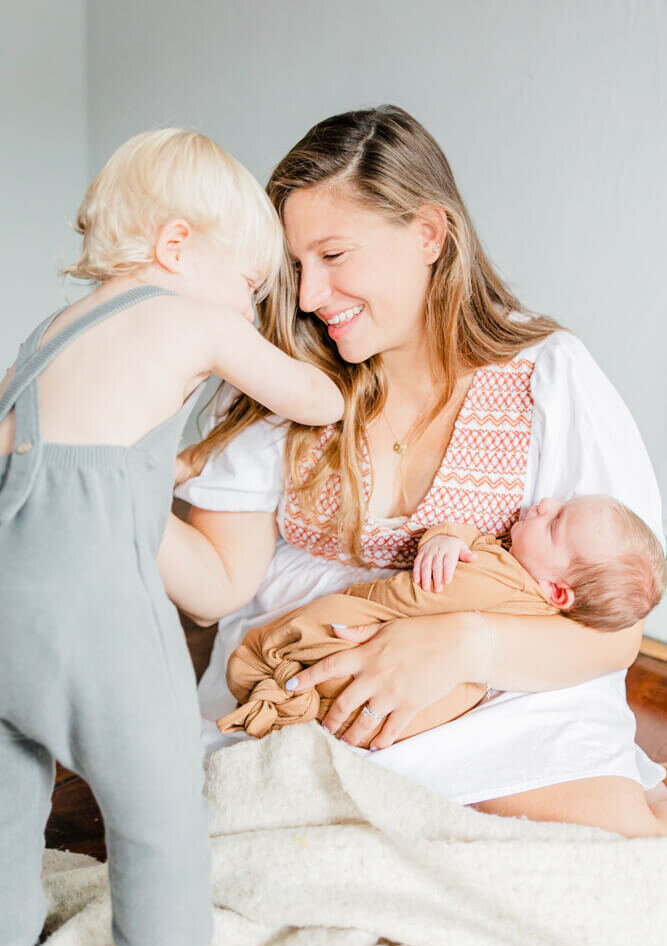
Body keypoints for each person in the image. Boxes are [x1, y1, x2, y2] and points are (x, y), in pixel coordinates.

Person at [167, 106, 666, 839]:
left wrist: (462, 644)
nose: (307, 298)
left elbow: (613, 631)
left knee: (605, 863)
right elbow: (215, 592)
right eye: (295, 266)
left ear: (428, 234)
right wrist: (110, 480)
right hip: (305, 691)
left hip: (506, 697)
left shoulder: (550, 377)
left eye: (335, 257)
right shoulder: (268, 381)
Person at [0, 128, 343, 946]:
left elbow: (75, 462)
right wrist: (318, 384)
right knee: (159, 809)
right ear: (175, 246)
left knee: (4, 816)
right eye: (252, 286)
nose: (256, 307)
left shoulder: (47, 334)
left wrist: (171, 468)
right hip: (97, 623)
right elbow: (312, 397)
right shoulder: (190, 317)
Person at [216, 497, 666, 776]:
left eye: (555, 523)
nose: (545, 503)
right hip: (405, 703)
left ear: (556, 591)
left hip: (381, 658)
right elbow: (481, 548)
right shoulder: (526, 584)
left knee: (311, 641)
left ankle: (276, 690)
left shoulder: (494, 582)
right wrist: (449, 538)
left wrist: (442, 544)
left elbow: (411, 595)